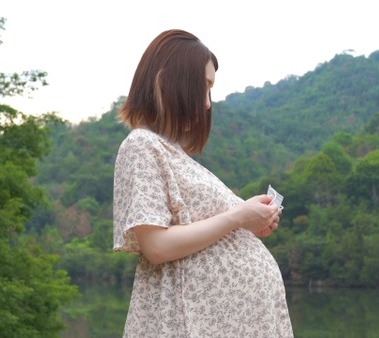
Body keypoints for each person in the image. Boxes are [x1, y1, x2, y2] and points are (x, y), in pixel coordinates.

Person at [113, 29, 294, 337]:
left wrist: (247, 223)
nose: (208, 104)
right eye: (205, 86)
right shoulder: (142, 146)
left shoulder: (177, 155)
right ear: (169, 80)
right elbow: (156, 246)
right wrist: (237, 217)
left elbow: (204, 231)